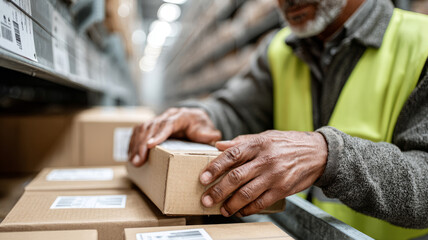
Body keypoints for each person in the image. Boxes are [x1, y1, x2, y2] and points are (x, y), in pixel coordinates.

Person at [128, 0, 428, 239]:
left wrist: (328, 155)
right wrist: (201, 115)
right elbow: (237, 109)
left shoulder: (421, 43)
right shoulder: (281, 47)